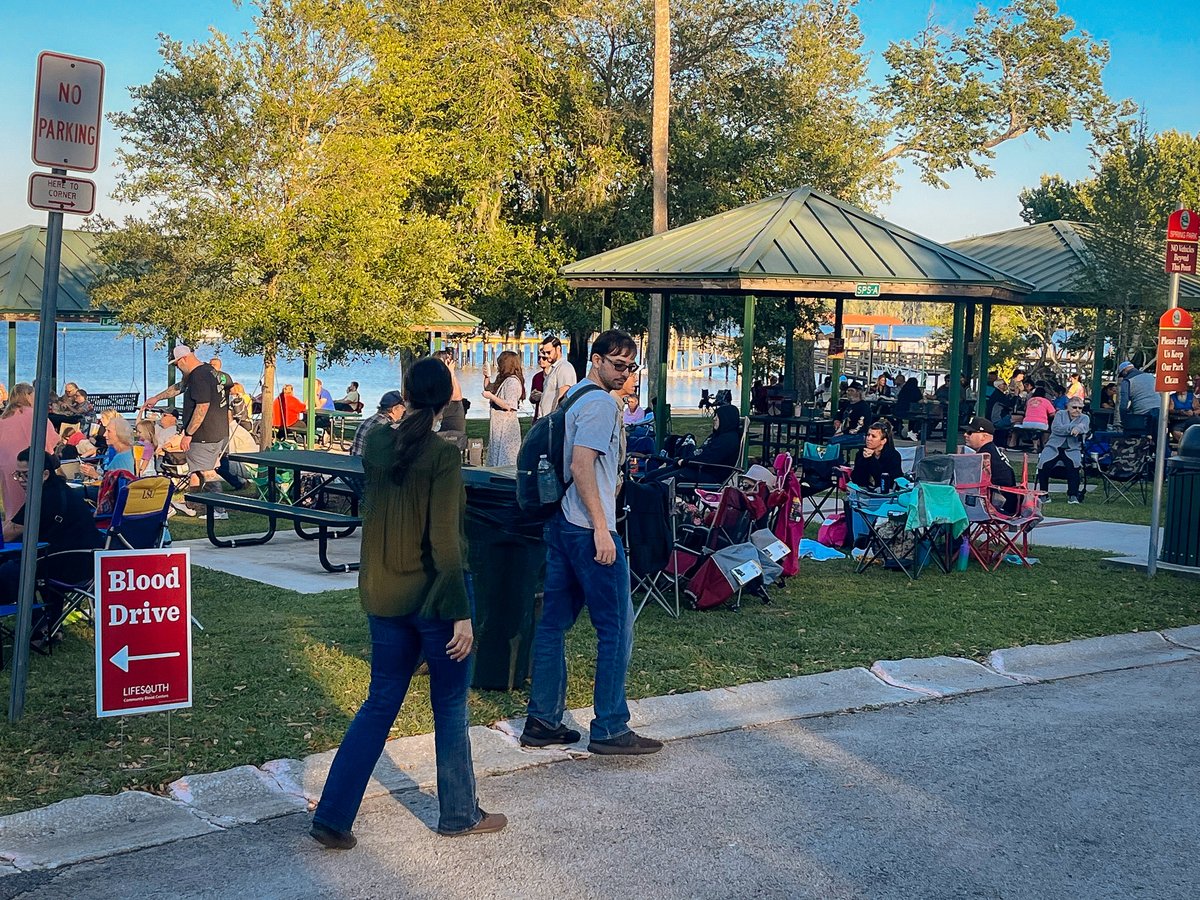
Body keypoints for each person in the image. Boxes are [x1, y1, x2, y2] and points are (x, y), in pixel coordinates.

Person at [311, 357, 505, 849]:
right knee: (450, 705)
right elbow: (445, 540)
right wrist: (462, 613)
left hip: (382, 592)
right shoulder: (441, 455)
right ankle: (459, 812)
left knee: (380, 702)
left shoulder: (377, 442)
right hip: (435, 599)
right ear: (445, 401)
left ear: (405, 392)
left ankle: (333, 814)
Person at [521, 329, 662, 756]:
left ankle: (543, 720)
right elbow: (582, 466)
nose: (625, 373)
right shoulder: (600, 403)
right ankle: (610, 727)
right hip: (589, 528)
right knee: (616, 629)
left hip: (563, 523)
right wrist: (602, 528)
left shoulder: (576, 395)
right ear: (596, 360)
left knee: (553, 625)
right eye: (617, 365)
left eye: (630, 366)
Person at [1, 449, 106, 648]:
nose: (21, 480)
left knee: (13, 570)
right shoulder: (61, 489)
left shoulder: (43, 497)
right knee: (24, 563)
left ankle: (40, 626)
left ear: (45, 474)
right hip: (88, 562)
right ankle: (49, 626)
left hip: (70, 564)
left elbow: (11, 532)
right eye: (18, 474)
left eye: (26, 474)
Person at [142, 346, 232, 518]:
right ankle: (193, 503)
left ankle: (221, 510)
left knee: (208, 471)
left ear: (183, 359)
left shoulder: (199, 376)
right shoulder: (207, 370)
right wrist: (156, 398)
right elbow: (179, 387)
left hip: (206, 433)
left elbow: (202, 406)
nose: (177, 368)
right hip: (219, 430)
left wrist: (188, 434)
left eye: (176, 365)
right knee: (198, 470)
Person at [0, 383, 59, 527]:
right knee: (36, 502)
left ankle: (13, 527)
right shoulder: (35, 415)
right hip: (32, 464)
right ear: (27, 395)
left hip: (8, 466)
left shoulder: (4, 418)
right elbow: (51, 440)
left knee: (13, 504)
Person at [644, 403, 742, 485]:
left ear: (726, 419)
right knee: (651, 476)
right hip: (694, 468)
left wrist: (686, 462)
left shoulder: (728, 440)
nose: (714, 419)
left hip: (706, 474)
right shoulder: (718, 436)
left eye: (717, 416)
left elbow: (708, 458)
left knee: (658, 482)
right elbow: (701, 453)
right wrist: (685, 460)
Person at [1038, 399, 1090, 504]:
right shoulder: (1060, 414)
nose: (1077, 410)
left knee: (1074, 466)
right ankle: (1043, 494)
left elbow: (1084, 428)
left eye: (1080, 408)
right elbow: (1056, 429)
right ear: (1068, 407)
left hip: (1072, 448)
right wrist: (1072, 428)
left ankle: (1073, 495)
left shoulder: (1085, 417)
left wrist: (1078, 428)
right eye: (1074, 407)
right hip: (1054, 446)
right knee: (1043, 464)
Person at [962, 417, 1018, 515]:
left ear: (984, 436)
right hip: (1006, 502)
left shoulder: (985, 455)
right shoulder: (991, 450)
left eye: (970, 432)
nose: (965, 435)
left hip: (997, 505)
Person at [482, 350, 524, 467]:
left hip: (506, 427)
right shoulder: (504, 380)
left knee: (505, 459)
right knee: (495, 457)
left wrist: (491, 397)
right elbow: (489, 388)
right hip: (498, 426)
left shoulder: (512, 382)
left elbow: (509, 405)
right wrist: (487, 377)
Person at [850, 420, 903, 492]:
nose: (869, 439)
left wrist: (872, 459)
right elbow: (856, 479)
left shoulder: (893, 456)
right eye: (868, 435)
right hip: (864, 491)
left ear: (883, 441)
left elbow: (886, 481)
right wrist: (864, 460)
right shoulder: (861, 453)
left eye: (873, 436)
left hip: (887, 492)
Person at [351, 391, 404, 457]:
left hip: (354, 462)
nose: (404, 410)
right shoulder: (388, 427)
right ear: (394, 409)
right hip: (368, 465)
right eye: (402, 407)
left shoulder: (367, 421)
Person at [535, 335, 577, 418]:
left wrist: (555, 418)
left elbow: (563, 397)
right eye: (544, 352)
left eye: (549, 352)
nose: (546, 355)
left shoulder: (564, 367)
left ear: (558, 349)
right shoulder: (554, 368)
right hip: (546, 419)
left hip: (553, 420)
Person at [433, 350, 467, 449]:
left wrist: (452, 374)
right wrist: (450, 373)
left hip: (454, 421)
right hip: (444, 424)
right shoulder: (437, 381)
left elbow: (458, 396)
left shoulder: (448, 378)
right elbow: (455, 397)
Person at [1117, 361, 1158, 425]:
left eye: (1122, 375)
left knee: (1134, 432)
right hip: (1159, 410)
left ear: (1124, 371)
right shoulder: (1151, 377)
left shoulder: (1127, 381)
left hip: (1143, 413)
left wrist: (1123, 419)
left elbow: (1124, 403)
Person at [529, 349, 551, 420]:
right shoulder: (537, 377)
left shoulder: (555, 376)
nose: (541, 360)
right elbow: (532, 400)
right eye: (539, 358)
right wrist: (533, 397)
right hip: (538, 416)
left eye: (544, 358)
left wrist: (543, 396)